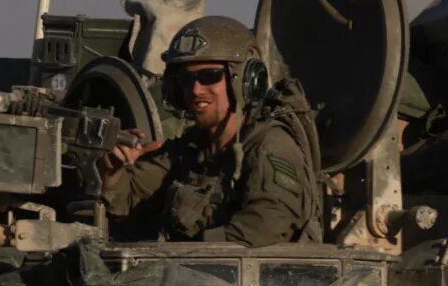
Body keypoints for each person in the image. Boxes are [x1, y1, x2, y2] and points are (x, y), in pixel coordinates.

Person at [101, 16, 323, 245]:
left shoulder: (270, 144)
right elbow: (130, 197)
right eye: (186, 79)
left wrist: (190, 251)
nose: (196, 90)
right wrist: (112, 170)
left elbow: (269, 225)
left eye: (210, 76)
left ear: (246, 80)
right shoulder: (191, 148)